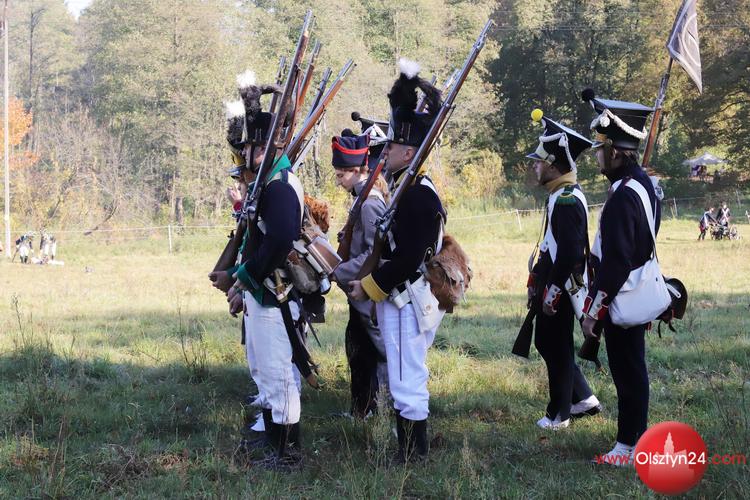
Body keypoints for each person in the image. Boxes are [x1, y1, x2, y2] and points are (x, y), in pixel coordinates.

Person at [348, 59, 446, 462]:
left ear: (409, 151)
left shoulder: (418, 193)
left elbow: (407, 259)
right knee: (404, 373)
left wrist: (368, 286)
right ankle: (408, 449)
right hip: (399, 296)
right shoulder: (408, 188)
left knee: (406, 376)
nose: (384, 152)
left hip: (407, 297)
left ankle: (412, 454)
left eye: (390, 146)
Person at [579, 89, 660, 465]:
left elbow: (615, 263)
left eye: (601, 147)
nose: (597, 154)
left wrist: (593, 311)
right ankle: (634, 439)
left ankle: (629, 446)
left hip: (622, 296)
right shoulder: (642, 185)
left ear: (615, 151)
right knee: (632, 369)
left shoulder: (623, 196)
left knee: (628, 373)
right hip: (634, 291)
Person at [525, 108, 601, 430]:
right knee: (549, 342)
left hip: (563, 286)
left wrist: (552, 293)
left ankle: (559, 414)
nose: (535, 166)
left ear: (554, 165)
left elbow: (569, 253)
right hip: (555, 282)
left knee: (553, 344)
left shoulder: (567, 199)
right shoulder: (560, 194)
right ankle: (583, 398)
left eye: (539, 161)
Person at [330, 129, 390, 418]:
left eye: (341, 175)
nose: (339, 180)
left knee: (377, 353)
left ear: (356, 171)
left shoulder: (369, 204)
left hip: (366, 291)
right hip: (359, 290)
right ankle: (363, 409)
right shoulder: (361, 199)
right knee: (360, 354)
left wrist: (338, 271)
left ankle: (383, 408)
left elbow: (373, 254)